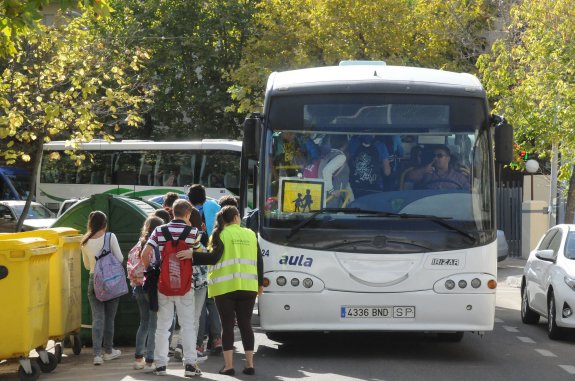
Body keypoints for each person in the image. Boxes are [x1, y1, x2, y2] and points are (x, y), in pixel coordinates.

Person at [140, 199, 203, 377]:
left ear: (172, 213)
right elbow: (200, 254)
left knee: (162, 326)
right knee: (188, 326)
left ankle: (160, 365)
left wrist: (150, 271)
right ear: (188, 214)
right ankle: (190, 365)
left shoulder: (159, 231)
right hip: (185, 286)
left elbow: (145, 253)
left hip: (164, 285)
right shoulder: (193, 233)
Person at [207, 206, 264, 376]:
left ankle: (229, 366)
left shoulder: (220, 235)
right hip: (248, 287)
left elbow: (213, 258)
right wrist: (259, 284)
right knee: (246, 325)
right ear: (237, 217)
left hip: (225, 288)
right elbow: (259, 261)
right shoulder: (250, 234)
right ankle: (250, 364)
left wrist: (192, 256)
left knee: (227, 326)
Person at [80, 211, 123, 366]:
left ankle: (97, 355)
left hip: (94, 280)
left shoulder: (84, 241)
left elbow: (86, 265)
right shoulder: (110, 237)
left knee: (97, 318)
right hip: (110, 281)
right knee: (109, 318)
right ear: (105, 223)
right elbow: (120, 258)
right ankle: (109, 351)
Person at [187, 184, 223, 355]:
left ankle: (199, 343)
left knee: (199, 307)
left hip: (196, 268)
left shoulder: (190, 214)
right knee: (213, 303)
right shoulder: (214, 210)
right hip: (213, 263)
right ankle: (217, 339)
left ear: (189, 199)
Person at [127, 216, 164, 372]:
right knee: (154, 325)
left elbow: (129, 264)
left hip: (138, 288)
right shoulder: (156, 245)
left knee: (143, 323)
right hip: (151, 288)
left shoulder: (137, 245)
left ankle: (138, 359)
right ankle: (150, 362)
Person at [406, 145, 470, 190]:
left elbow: (469, 193)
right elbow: (409, 178)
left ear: (448, 158)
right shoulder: (427, 173)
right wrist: (423, 170)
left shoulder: (459, 177)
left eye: (439, 156)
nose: (435, 158)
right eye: (434, 156)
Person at [318, 135, 354, 207]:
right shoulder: (341, 157)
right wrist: (332, 191)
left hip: (325, 198)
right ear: (345, 144)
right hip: (333, 200)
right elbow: (326, 171)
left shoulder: (327, 156)